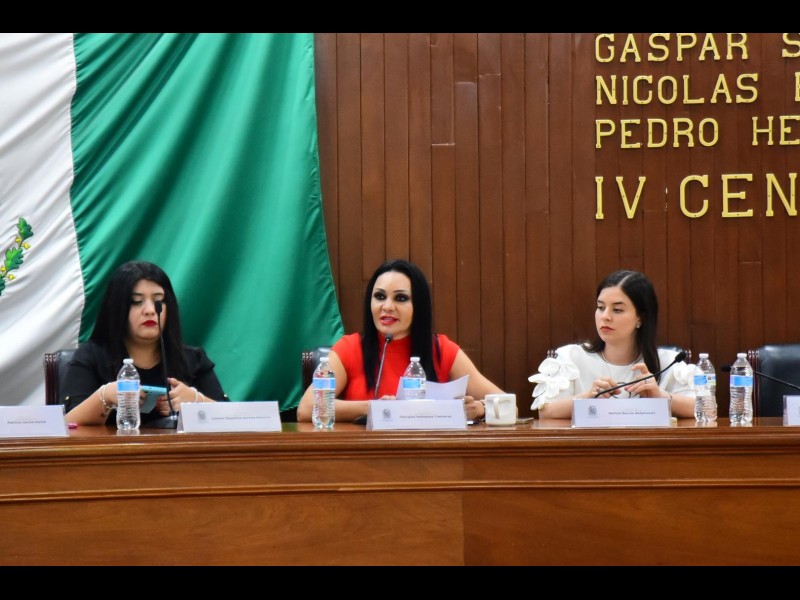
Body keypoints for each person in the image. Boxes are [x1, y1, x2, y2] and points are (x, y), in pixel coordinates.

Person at [296, 259, 505, 423]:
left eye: (400, 298)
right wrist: (374, 408)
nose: (387, 306)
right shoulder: (350, 348)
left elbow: (507, 404)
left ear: (418, 306)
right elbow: (306, 409)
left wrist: (480, 409)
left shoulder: (441, 350)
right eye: (380, 297)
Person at [63, 260, 228, 425]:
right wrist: (104, 397)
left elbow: (232, 418)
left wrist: (196, 400)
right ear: (117, 307)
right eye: (136, 301)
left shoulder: (194, 359)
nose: (150, 310)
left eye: (158, 301)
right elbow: (66, 424)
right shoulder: (91, 356)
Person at [528, 269, 695, 419]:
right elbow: (545, 411)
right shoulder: (571, 358)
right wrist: (588, 397)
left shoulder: (669, 362)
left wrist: (661, 397)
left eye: (617, 310)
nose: (605, 316)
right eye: (601, 307)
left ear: (641, 318)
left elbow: (704, 408)